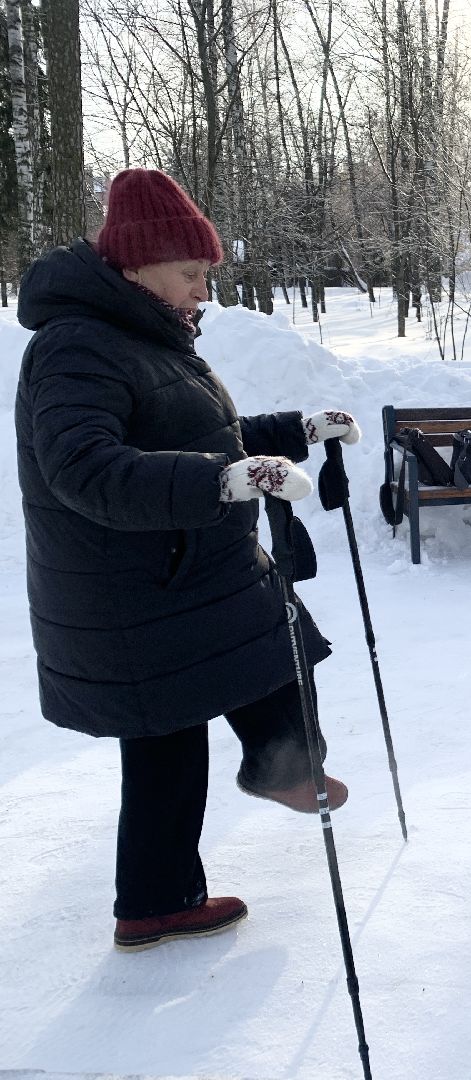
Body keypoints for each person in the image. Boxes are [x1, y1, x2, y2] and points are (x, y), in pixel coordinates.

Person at [15, 168, 363, 951]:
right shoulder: (76, 346)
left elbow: (200, 435)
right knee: (196, 709)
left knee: (196, 707)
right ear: (136, 264)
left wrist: (295, 430)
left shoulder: (140, 335)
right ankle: (253, 795)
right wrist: (221, 483)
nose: (202, 290)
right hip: (135, 582)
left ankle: (161, 894)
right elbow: (85, 470)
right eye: (190, 273)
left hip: (170, 571)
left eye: (206, 273)